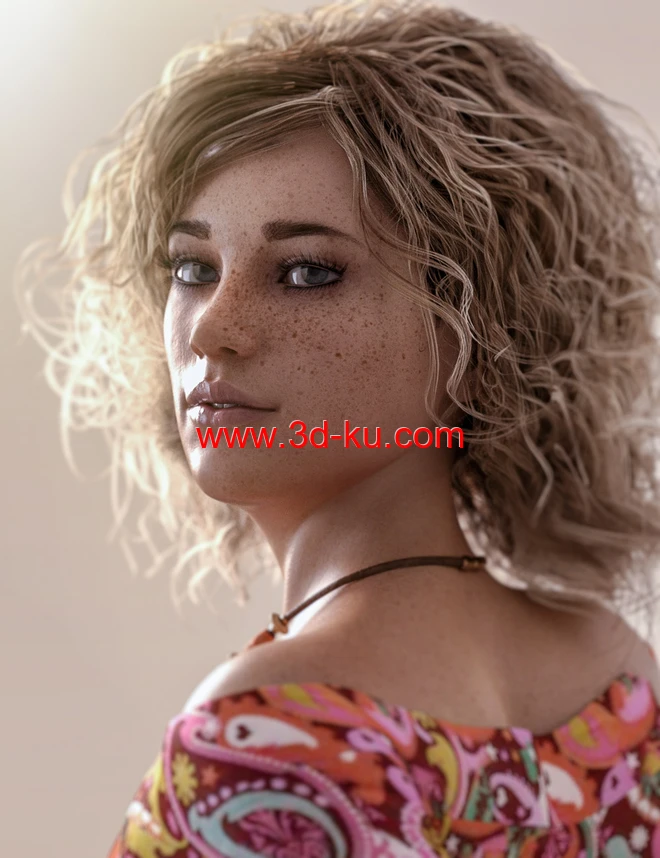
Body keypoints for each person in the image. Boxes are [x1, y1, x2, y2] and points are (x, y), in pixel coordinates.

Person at [14, 0, 660, 853]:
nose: (212, 328)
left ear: (481, 329)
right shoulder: (620, 679)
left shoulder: (270, 736)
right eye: (193, 267)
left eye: (307, 272)